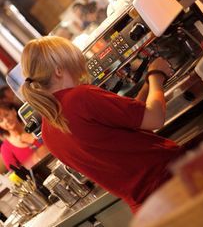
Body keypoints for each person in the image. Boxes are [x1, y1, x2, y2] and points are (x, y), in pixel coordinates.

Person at [20, 36, 182, 213]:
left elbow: (125, 125)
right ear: (59, 71)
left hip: (148, 210)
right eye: (74, 64)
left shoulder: (48, 133)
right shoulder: (81, 97)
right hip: (173, 183)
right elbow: (155, 118)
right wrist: (156, 75)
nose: (79, 73)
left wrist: (147, 86)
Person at [0, 102, 48, 170]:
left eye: (7, 115)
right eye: (1, 120)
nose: (6, 120)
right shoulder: (5, 148)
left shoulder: (34, 126)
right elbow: (17, 174)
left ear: (14, 111)